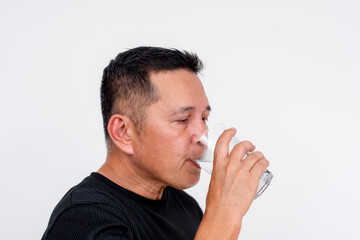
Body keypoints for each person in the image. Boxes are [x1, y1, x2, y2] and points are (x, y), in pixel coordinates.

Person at [42, 46, 269, 240]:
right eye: (182, 120)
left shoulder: (185, 206)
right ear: (123, 132)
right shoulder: (86, 218)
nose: (202, 135)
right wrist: (222, 217)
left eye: (204, 118)